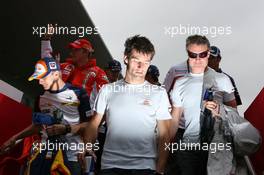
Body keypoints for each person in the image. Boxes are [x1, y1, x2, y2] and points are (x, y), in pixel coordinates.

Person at [81, 35, 171, 175]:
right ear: (126, 58)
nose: (141, 67)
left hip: (145, 167)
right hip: (110, 166)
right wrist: (87, 146)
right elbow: (93, 124)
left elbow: (164, 135)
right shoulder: (107, 90)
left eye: (146, 62)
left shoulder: (158, 93)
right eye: (136, 60)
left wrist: (160, 169)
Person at [0, 57, 92, 175]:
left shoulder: (79, 93)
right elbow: (38, 126)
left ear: (55, 74)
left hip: (71, 157)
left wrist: (84, 147)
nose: (40, 81)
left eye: (43, 77)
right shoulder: (40, 97)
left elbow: (89, 125)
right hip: (44, 154)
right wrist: (15, 138)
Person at [167, 35, 236, 175]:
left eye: (203, 54)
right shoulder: (180, 82)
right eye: (193, 55)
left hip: (216, 141)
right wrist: (166, 145)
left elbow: (234, 112)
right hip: (187, 143)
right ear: (188, 54)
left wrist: (220, 110)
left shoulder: (223, 79)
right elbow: (174, 119)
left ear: (208, 54)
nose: (198, 59)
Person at [41, 32, 109, 110]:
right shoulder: (64, 66)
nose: (71, 53)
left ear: (85, 52)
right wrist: (46, 40)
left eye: (76, 50)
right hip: (57, 110)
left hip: (81, 115)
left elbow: (105, 98)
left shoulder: (98, 73)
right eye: (72, 50)